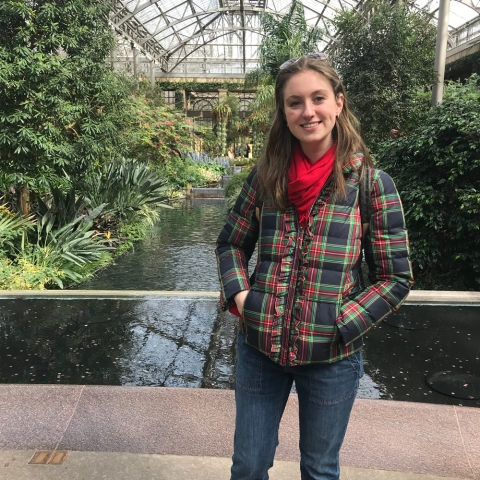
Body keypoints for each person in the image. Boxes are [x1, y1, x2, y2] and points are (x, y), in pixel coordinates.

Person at [216, 53, 413, 480]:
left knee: (320, 470)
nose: (308, 111)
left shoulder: (371, 185)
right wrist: (243, 296)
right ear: (283, 112)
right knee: (248, 466)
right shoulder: (265, 177)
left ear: (338, 103)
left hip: (331, 358)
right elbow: (231, 243)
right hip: (259, 348)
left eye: (318, 98)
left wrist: (341, 322)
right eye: (295, 102)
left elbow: (395, 277)